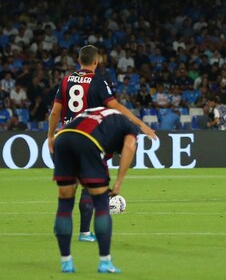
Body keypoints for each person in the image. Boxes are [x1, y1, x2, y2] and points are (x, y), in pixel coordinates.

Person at [47, 45, 157, 243]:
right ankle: (84, 233)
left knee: (68, 186)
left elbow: (55, 111)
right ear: (96, 61)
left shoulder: (66, 81)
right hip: (88, 138)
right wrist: (141, 125)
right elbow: (115, 107)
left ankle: (62, 225)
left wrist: (50, 136)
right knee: (90, 186)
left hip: (64, 137)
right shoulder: (98, 82)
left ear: (79, 60)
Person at [52, 107, 139, 273]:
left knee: (64, 203)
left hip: (62, 139)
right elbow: (129, 148)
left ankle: (66, 263)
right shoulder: (130, 126)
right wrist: (119, 183)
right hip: (88, 142)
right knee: (101, 204)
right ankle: (105, 262)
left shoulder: (96, 112)